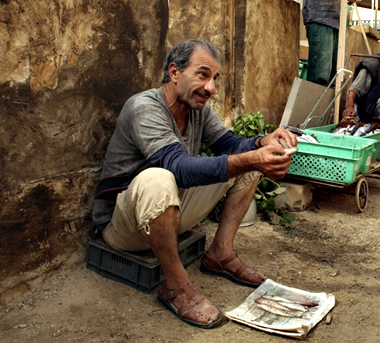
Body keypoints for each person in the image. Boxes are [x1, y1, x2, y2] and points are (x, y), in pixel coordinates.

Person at [92, 39, 298, 329]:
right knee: (159, 177)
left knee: (247, 164)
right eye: (203, 75)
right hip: (124, 226)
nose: (210, 88)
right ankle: (175, 285)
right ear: (174, 72)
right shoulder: (143, 107)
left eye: (214, 78)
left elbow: (230, 144)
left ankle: (220, 254)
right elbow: (177, 168)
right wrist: (253, 156)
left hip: (169, 213)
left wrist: (261, 142)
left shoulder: (197, 109)